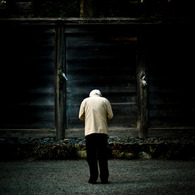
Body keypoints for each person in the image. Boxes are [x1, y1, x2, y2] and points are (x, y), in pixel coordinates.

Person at [79, 89, 113, 184]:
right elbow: (110, 115)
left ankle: (93, 178)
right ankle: (104, 178)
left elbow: (80, 116)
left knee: (91, 156)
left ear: (91, 95)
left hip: (90, 132)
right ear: (99, 94)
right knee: (103, 156)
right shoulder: (105, 100)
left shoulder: (85, 101)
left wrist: (88, 117)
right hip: (102, 132)